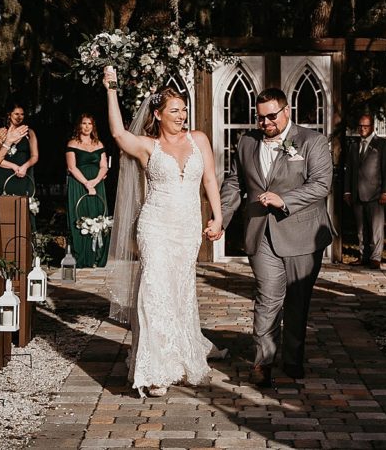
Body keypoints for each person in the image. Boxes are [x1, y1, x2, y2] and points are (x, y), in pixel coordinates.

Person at [104, 67, 225, 397]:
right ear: (157, 115)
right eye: (175, 110)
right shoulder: (147, 147)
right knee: (154, 293)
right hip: (155, 227)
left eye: (184, 109)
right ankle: (155, 370)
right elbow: (117, 133)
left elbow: (210, 180)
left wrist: (217, 216)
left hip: (187, 230)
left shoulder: (198, 140)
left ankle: (183, 359)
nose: (182, 115)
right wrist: (111, 87)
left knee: (180, 293)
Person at [220, 88, 334, 387]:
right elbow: (235, 182)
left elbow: (321, 185)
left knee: (298, 302)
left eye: (272, 116)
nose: (266, 122)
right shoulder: (246, 142)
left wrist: (285, 200)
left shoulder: (313, 141)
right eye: (260, 117)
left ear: (287, 112)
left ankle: (293, 359)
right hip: (260, 232)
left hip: (303, 234)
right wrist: (221, 217)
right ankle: (262, 362)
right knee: (267, 297)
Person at [343, 113, 386, 269]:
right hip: (357, 193)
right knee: (361, 228)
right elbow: (349, 170)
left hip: (375, 193)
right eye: (360, 126)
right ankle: (363, 255)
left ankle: (375, 257)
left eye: (365, 126)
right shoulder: (353, 146)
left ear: (372, 127)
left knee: (376, 228)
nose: (362, 129)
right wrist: (347, 191)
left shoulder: (383, 145)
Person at [66, 114, 109, 267]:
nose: (87, 127)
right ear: (79, 125)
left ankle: (97, 256)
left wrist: (95, 181)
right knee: (80, 217)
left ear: (93, 126)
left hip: (96, 182)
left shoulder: (98, 144)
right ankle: (81, 256)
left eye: (89, 124)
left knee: (97, 215)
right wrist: (86, 183)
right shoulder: (73, 143)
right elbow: (72, 167)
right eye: (84, 123)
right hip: (79, 184)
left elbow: (104, 166)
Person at [0, 102, 39, 196]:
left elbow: (35, 156)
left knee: (23, 206)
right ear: (9, 115)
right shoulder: (0, 132)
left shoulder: (29, 133)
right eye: (16, 114)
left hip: (24, 174)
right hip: (4, 175)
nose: (19, 117)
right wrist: (13, 166)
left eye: (22, 114)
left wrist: (24, 167)